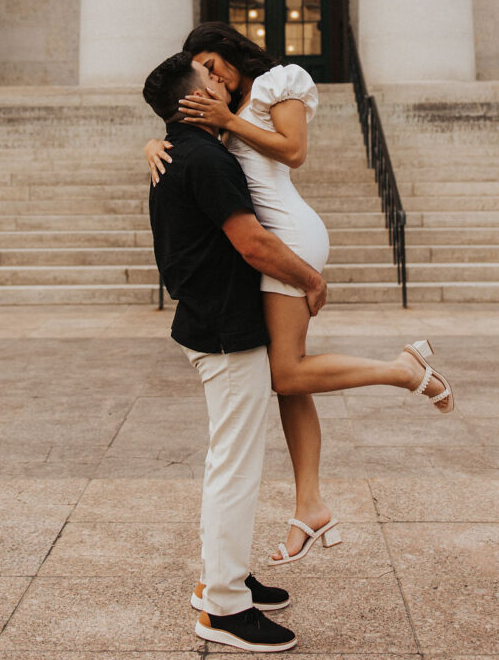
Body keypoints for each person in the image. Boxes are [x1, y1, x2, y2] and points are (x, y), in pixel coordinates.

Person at [145, 23, 455, 566]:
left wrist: (226, 119)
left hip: (285, 234)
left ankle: (405, 370)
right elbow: (192, 147)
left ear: (233, 52)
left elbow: (294, 152)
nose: (211, 77)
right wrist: (155, 141)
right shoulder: (224, 107)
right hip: (269, 236)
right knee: (288, 380)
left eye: (213, 65)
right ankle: (309, 504)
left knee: (285, 373)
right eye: (202, 72)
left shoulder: (280, 82)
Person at [142, 50, 331, 653]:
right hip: (224, 329)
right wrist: (310, 278)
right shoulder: (202, 158)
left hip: (213, 323)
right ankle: (223, 607)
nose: (221, 84)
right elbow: (251, 242)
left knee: (230, 461)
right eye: (208, 82)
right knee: (235, 467)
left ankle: (223, 579)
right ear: (189, 102)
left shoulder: (182, 151)